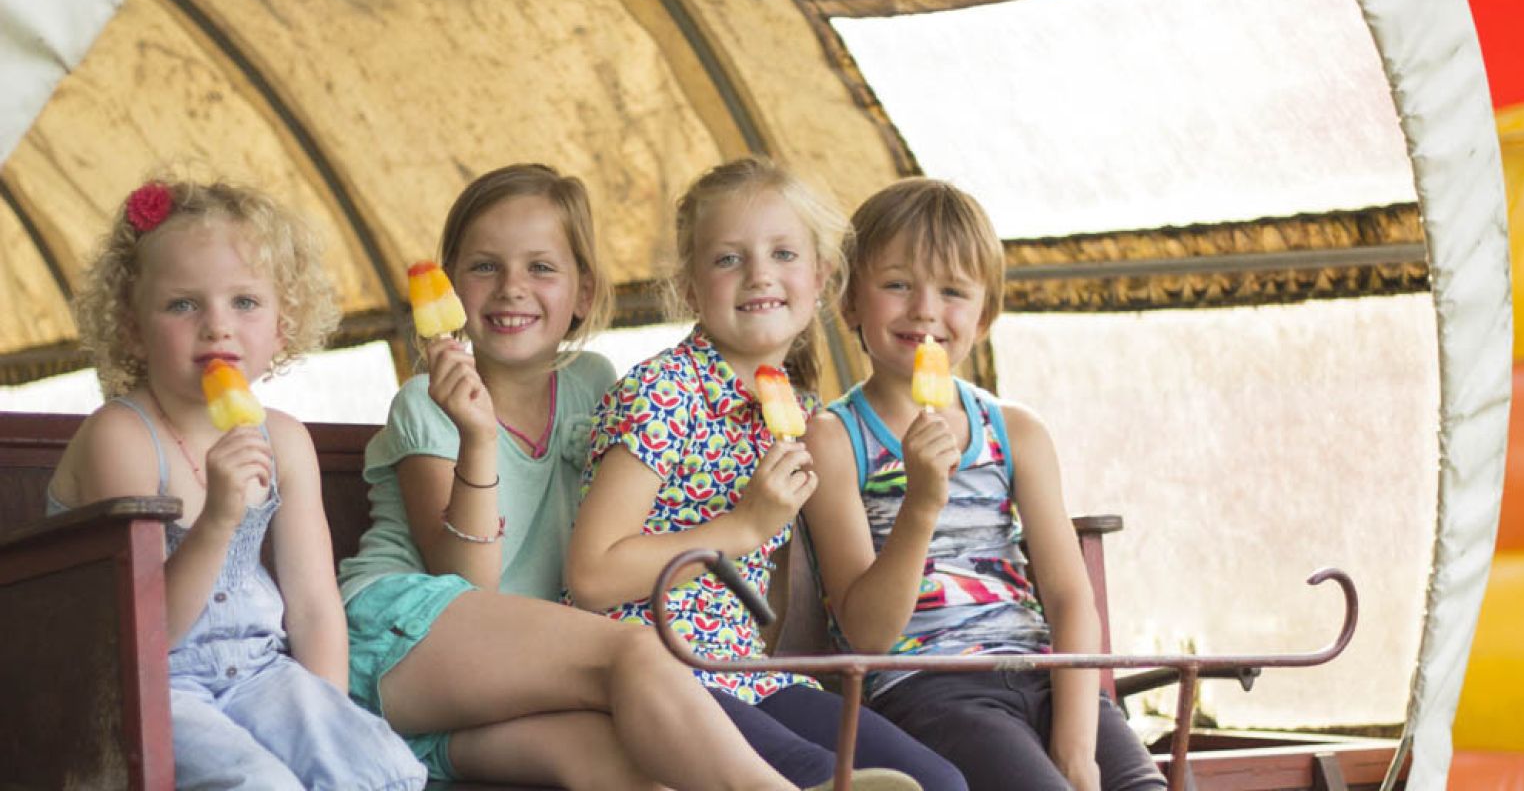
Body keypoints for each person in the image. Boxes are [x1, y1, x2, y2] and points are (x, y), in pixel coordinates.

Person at [335, 163, 833, 790]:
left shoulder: (594, 385)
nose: (512, 287)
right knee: (634, 651)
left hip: (510, 693)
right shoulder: (423, 405)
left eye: (541, 268)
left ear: (585, 294)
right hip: (403, 651)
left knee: (632, 770)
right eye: (485, 267)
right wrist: (478, 436)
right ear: (450, 288)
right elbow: (466, 587)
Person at [568, 156, 966, 791]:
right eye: (728, 259)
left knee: (940, 783)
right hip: (650, 675)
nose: (759, 276)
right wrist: (744, 527)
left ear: (822, 280)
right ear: (692, 288)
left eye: (784, 254)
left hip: (751, 673)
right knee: (823, 780)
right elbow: (590, 576)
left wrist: (922, 500)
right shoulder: (664, 392)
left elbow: (867, 628)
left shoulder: (805, 421)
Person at [47, 178, 427, 789]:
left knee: (370, 766)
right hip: (145, 689)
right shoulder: (120, 437)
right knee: (261, 783)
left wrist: (327, 720)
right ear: (131, 327)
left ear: (284, 324)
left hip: (260, 675)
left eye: (245, 302)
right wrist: (219, 517)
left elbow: (312, 605)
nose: (216, 327)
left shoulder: (283, 438)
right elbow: (145, 634)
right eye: (182, 305)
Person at [799, 178, 1168, 791]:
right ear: (850, 303)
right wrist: (921, 502)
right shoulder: (834, 439)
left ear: (985, 315)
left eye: (952, 291)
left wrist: (1077, 749)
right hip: (928, 688)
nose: (924, 310)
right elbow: (867, 634)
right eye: (896, 284)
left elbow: (1071, 600)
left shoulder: (1016, 432)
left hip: (1048, 675)